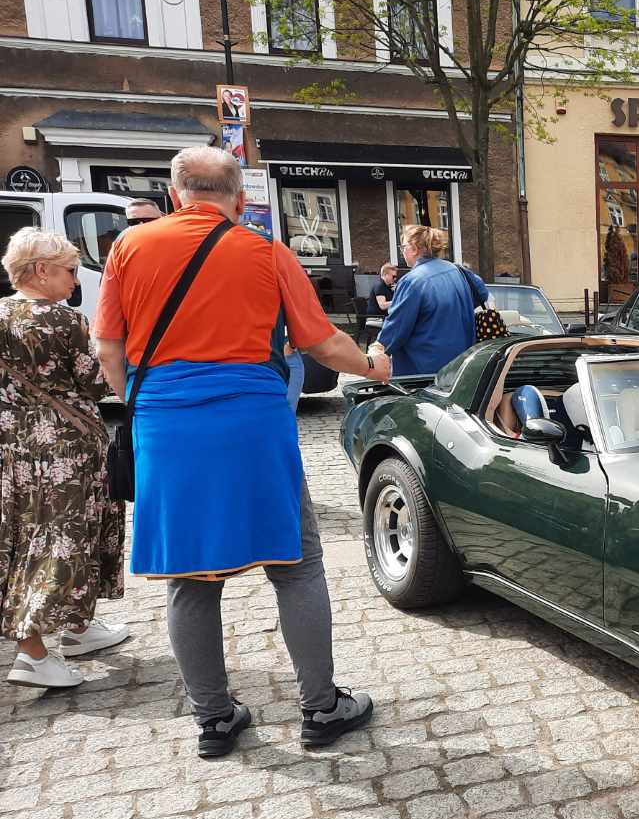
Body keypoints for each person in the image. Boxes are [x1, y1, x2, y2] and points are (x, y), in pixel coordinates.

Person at [94, 146, 391, 759]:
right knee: (297, 562)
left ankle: (215, 719)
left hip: (166, 420)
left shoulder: (130, 247)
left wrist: (146, 402)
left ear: (177, 195)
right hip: (252, 419)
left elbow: (108, 349)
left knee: (189, 578)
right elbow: (320, 342)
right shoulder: (264, 251)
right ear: (238, 197)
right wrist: (372, 366)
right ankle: (320, 707)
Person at [1, 228, 128, 688]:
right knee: (63, 538)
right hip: (65, 447)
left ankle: (78, 627)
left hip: (15, 447)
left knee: (25, 535)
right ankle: (31, 651)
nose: (76, 281)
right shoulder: (58, 320)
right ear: (40, 271)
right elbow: (96, 383)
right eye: (70, 271)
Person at [370, 226, 483, 376]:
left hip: (425, 370)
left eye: (404, 246)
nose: (402, 251)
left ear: (415, 248)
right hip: (461, 365)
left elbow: (397, 325)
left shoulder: (412, 280)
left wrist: (378, 347)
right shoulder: (456, 270)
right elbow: (480, 293)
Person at [360, 263, 397, 347]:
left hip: (382, 317)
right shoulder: (380, 286)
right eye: (393, 276)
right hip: (377, 319)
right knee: (401, 326)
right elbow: (383, 305)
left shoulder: (388, 287)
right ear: (385, 275)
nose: (395, 279)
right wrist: (399, 300)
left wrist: (396, 291)